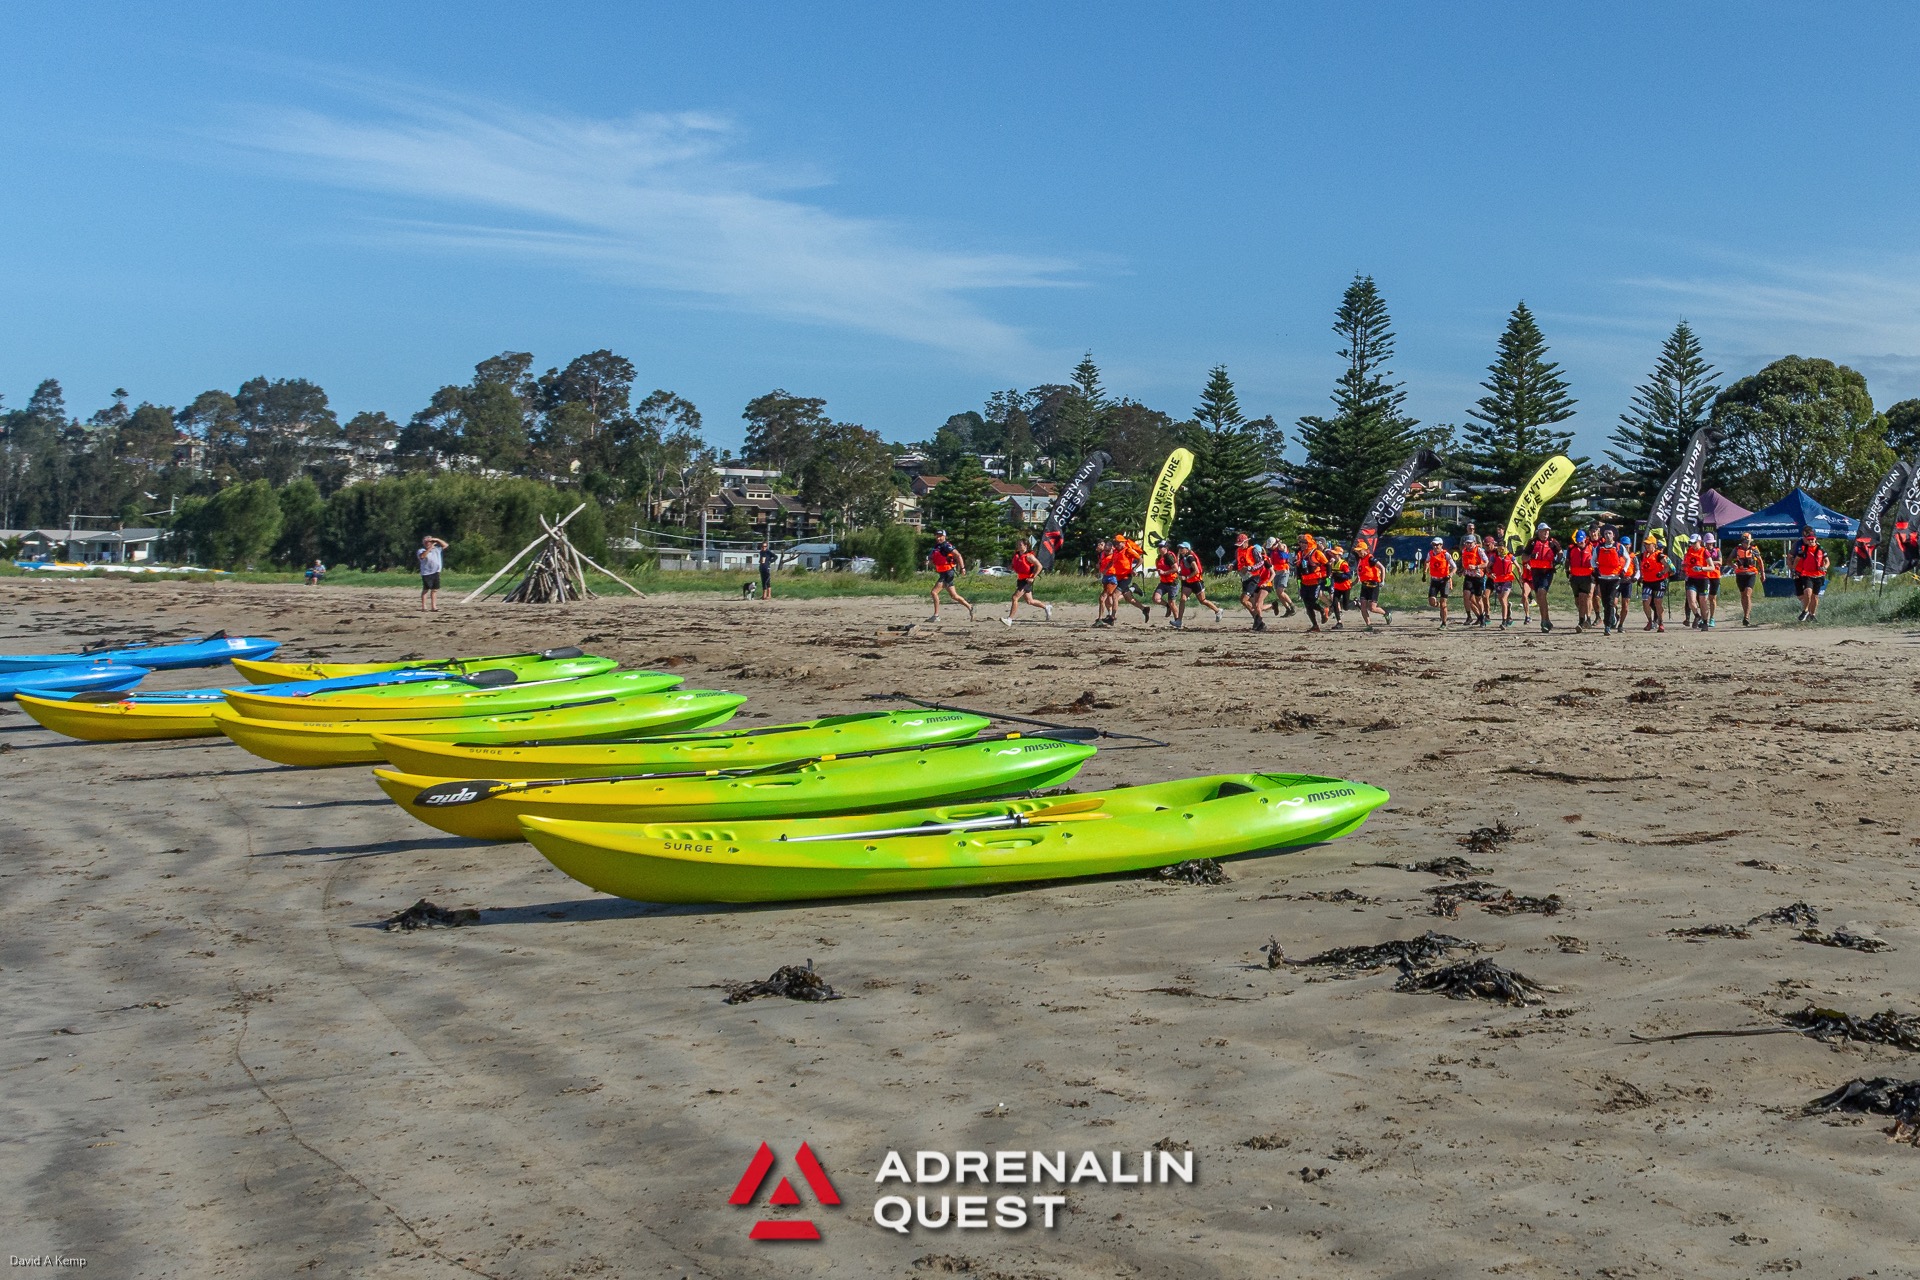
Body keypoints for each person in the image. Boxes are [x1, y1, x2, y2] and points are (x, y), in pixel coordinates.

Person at [1171, 540, 1221, 628]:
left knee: (1202, 600)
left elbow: (1196, 570)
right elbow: (1178, 565)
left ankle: (1217, 610)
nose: (1180, 549)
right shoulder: (1183, 557)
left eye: (1182, 548)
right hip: (1187, 583)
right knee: (1183, 599)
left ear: (1187, 549)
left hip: (1196, 582)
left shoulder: (1190, 558)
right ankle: (1179, 621)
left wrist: (1186, 577)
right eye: (1179, 548)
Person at [1002, 537, 1051, 625]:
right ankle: (1046, 607)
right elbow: (1016, 565)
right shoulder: (1017, 555)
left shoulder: (1029, 556)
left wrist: (1033, 577)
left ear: (1025, 546)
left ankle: (1009, 619)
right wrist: (1011, 567)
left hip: (1027, 580)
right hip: (1020, 579)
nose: (1018, 546)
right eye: (1018, 544)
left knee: (1015, 597)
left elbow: (1039, 566)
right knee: (1030, 601)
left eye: (1020, 544)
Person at [928, 530, 974, 621]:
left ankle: (936, 616)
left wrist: (962, 568)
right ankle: (970, 607)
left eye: (940, 536)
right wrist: (929, 561)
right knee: (954, 596)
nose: (938, 538)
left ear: (944, 536)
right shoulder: (937, 546)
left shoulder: (946, 546)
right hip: (944, 572)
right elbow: (933, 558)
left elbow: (958, 555)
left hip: (948, 573)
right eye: (937, 536)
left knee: (934, 592)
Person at [1109, 532, 1154, 623]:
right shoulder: (1116, 552)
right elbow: (1112, 562)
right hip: (1119, 577)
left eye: (1118, 543)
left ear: (1123, 542)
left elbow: (1140, 559)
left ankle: (1112, 618)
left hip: (1126, 576)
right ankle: (1144, 609)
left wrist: (1134, 568)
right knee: (1129, 599)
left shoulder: (1128, 550)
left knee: (1114, 595)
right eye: (1115, 543)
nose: (1116, 545)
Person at [1525, 522, 1561, 633]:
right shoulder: (1532, 543)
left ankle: (1544, 621)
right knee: (1540, 597)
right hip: (1535, 572)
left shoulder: (1552, 543)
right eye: (1544, 531)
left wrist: (1558, 559)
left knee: (1541, 592)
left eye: (1547, 531)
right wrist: (1531, 556)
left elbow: (1560, 552)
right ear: (1539, 532)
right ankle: (1546, 620)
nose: (1546, 533)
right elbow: (1524, 557)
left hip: (1547, 572)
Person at [1593, 526, 1630, 635]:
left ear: (1613, 535)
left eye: (1609, 533)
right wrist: (1595, 569)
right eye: (1605, 534)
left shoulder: (1619, 547)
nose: (1607, 535)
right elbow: (1592, 560)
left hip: (1615, 578)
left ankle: (1607, 626)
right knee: (1605, 602)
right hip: (1603, 578)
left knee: (1610, 601)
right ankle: (1611, 617)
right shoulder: (1599, 548)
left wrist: (1624, 570)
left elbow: (1627, 559)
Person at [1235, 533, 1272, 630]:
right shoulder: (1238, 551)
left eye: (1241, 543)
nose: (1240, 545)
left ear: (1246, 542)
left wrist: (1250, 568)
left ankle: (1258, 620)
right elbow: (1238, 563)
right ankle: (1259, 623)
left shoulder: (1253, 550)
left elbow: (1261, 562)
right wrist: (1232, 566)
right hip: (1245, 578)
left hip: (1254, 577)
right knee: (1252, 603)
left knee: (1243, 599)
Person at [1295, 534, 1330, 631]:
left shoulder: (1317, 553)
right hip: (1304, 582)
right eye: (1301, 543)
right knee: (1307, 605)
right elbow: (1298, 567)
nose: (1302, 545)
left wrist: (1328, 577)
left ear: (1309, 543)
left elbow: (1327, 565)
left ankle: (1323, 610)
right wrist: (1298, 578)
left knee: (1312, 601)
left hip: (1316, 582)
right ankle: (1315, 625)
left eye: (1304, 543)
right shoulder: (1300, 554)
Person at [1793, 527, 1829, 622]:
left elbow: (1827, 561)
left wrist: (1825, 567)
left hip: (1818, 575)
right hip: (1807, 574)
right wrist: (1795, 570)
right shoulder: (1803, 550)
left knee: (1815, 597)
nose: (1811, 541)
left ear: (1815, 539)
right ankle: (1805, 611)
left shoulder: (1821, 549)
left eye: (1812, 539)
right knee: (1807, 592)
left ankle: (1812, 615)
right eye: (1809, 540)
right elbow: (1796, 560)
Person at [1730, 532, 1764, 626]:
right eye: (1745, 541)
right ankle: (1745, 613)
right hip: (1740, 574)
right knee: (1743, 595)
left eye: (1748, 541)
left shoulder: (1754, 550)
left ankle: (1746, 616)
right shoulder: (1736, 550)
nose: (1747, 543)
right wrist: (1733, 565)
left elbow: (1760, 561)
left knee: (1748, 594)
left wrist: (1762, 573)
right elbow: (1728, 560)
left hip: (1751, 573)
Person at [1640, 536, 1673, 632]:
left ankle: (1661, 622)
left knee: (1658, 602)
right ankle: (1650, 621)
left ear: (1654, 545)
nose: (1646, 546)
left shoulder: (1660, 555)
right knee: (1645, 601)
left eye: (1648, 544)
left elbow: (1668, 567)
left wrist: (1662, 573)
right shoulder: (1643, 556)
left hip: (1659, 581)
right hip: (1647, 582)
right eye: (1645, 544)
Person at [1355, 545, 1389, 629]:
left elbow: (1382, 568)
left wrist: (1382, 580)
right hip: (1364, 585)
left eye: (1360, 551)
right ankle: (1369, 625)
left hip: (1373, 585)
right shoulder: (1361, 560)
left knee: (1372, 608)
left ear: (1365, 550)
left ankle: (1386, 613)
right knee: (1363, 607)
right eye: (1357, 551)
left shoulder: (1370, 558)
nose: (1358, 553)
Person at [1486, 537, 1519, 627]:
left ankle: (1504, 621)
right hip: (1497, 580)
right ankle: (1508, 613)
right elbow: (1488, 567)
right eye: (1499, 546)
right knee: (1501, 600)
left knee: (1503, 598)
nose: (1501, 548)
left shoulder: (1510, 556)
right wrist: (1490, 574)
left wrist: (1521, 577)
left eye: (1502, 546)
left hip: (1507, 580)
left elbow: (1518, 567)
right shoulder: (1494, 556)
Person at [1458, 533, 1489, 627]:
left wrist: (1476, 567)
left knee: (1478, 598)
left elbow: (1487, 563)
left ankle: (1482, 617)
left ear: (1475, 543)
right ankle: (1469, 616)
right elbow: (1464, 563)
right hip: (1468, 576)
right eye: (1467, 543)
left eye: (1470, 543)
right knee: (1466, 595)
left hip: (1478, 577)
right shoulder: (1464, 551)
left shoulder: (1479, 550)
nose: (1468, 545)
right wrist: (1462, 570)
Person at [1566, 529, 1595, 630]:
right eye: (1578, 541)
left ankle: (1582, 621)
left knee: (1584, 598)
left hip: (1587, 577)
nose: (1580, 543)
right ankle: (1585, 618)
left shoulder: (1591, 548)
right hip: (1575, 577)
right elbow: (1567, 561)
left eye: (1581, 541)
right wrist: (1567, 572)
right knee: (1577, 601)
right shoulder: (1572, 549)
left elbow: (1596, 561)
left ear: (1585, 539)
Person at [1425, 537, 1453, 626]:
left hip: (1444, 581)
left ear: (1441, 545)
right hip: (1434, 580)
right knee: (1431, 602)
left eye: (1437, 545)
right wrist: (1424, 572)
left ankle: (1444, 623)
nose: (1435, 547)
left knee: (1444, 603)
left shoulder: (1446, 555)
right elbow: (1427, 562)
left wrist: (1450, 575)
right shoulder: (1430, 554)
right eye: (1434, 545)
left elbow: (1454, 566)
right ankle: (1438, 605)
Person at [1151, 539, 1181, 618]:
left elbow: (1175, 568)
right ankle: (1168, 606)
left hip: (1172, 583)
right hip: (1163, 582)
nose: (1160, 548)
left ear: (1166, 548)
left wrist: (1164, 572)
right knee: (1155, 599)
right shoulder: (1159, 558)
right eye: (1159, 547)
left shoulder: (1169, 557)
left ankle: (1177, 620)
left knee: (1172, 603)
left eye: (1162, 547)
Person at [1266, 538, 1296, 617]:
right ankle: (1288, 609)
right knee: (1278, 593)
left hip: (1284, 571)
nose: (1270, 548)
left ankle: (1292, 606)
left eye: (1271, 546)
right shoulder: (1272, 551)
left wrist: (1278, 542)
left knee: (1280, 591)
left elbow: (1282, 548)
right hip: (1276, 572)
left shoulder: (1281, 547)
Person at [417, 535, 447, 612]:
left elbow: (445, 545)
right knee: (426, 589)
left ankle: (434, 606)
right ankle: (424, 606)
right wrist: (429, 548)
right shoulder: (421, 550)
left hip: (436, 571)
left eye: (429, 542)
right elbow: (423, 556)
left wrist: (436, 539)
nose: (428, 543)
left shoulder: (437, 549)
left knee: (434, 590)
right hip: (426, 572)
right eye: (426, 542)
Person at [1327, 542, 1354, 630]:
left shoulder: (1343, 564)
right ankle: (1339, 622)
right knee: (1335, 604)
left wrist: (1340, 575)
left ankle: (1355, 602)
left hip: (1345, 587)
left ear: (1339, 555)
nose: (1333, 555)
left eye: (1335, 554)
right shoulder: (1333, 563)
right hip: (1337, 587)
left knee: (1346, 607)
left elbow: (1349, 575)